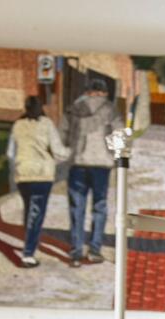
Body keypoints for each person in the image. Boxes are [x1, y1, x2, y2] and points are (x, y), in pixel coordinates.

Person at [6, 94, 68, 269]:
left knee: (29, 211)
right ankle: (28, 254)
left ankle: (29, 243)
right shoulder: (47, 124)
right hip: (42, 174)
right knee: (37, 214)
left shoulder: (17, 125)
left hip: (23, 174)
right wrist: (67, 155)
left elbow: (10, 152)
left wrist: (19, 164)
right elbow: (58, 150)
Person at [63, 82, 121, 267]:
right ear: (104, 92)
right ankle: (95, 250)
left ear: (87, 91)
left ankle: (76, 251)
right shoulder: (111, 109)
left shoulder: (74, 108)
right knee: (100, 206)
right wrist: (117, 158)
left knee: (76, 208)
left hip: (78, 164)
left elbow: (62, 134)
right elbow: (118, 136)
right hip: (101, 165)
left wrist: (67, 154)